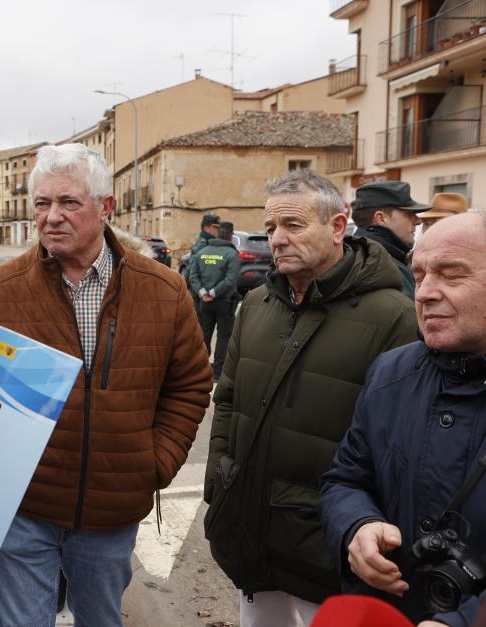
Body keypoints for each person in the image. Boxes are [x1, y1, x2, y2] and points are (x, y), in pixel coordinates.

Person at [0, 144, 212, 626]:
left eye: (68, 203)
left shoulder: (164, 290)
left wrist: (153, 463)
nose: (51, 217)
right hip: (25, 510)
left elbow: (189, 384)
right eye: (42, 204)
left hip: (110, 512)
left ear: (105, 208)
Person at [204, 169, 417, 627]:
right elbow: (228, 400)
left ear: (338, 227)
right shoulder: (257, 304)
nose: (278, 239)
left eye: (293, 226)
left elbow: (400, 446)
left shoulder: (395, 317)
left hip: (330, 549)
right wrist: (219, 478)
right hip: (252, 536)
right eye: (270, 228)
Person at [320, 211, 486, 627]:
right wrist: (357, 527)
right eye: (420, 274)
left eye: (451, 275)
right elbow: (345, 478)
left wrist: (465, 619)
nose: (425, 291)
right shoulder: (390, 372)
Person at [351, 181, 430, 300]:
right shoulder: (382, 264)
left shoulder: (358, 254)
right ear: (381, 218)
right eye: (409, 213)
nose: (418, 221)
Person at [187, 220, 240, 381]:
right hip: (224, 302)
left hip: (205, 302)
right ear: (231, 236)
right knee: (224, 337)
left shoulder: (202, 252)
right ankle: (217, 373)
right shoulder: (231, 254)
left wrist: (203, 292)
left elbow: (192, 275)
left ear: (217, 234)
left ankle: (200, 370)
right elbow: (231, 280)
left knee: (204, 334)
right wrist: (214, 292)